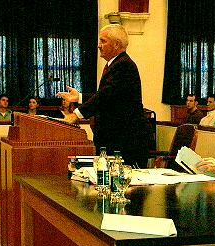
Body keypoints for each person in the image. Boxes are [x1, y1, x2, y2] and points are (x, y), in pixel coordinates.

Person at [57, 24, 150, 168]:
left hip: (125, 141)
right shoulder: (115, 64)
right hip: (114, 139)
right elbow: (108, 95)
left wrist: (76, 114)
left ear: (116, 44)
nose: (99, 45)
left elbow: (105, 95)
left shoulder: (124, 65)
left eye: (103, 41)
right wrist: (79, 97)